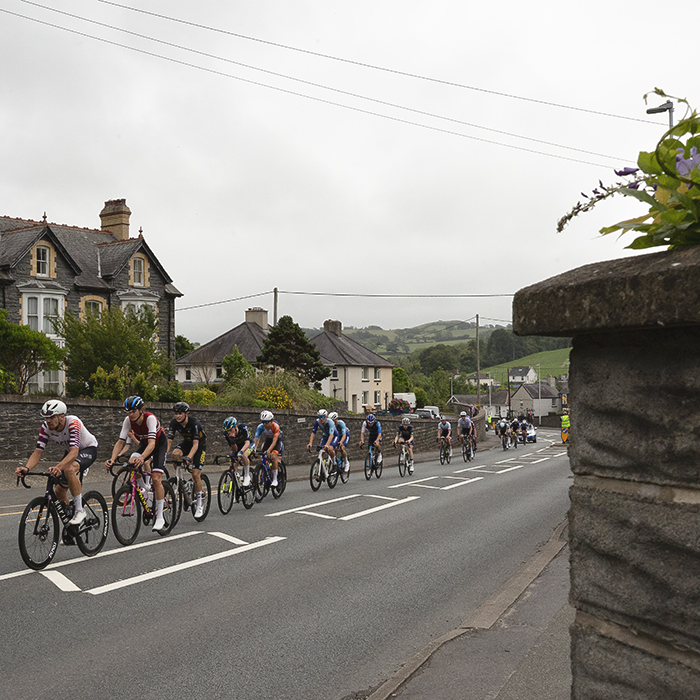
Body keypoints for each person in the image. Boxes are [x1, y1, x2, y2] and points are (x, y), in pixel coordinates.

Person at [16, 399, 98, 529]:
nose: (48, 420)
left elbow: (74, 452)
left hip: (87, 449)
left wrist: (58, 467)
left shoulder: (73, 423)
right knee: (59, 491)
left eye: (52, 417)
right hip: (70, 452)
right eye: (46, 417)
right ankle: (72, 524)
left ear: (61, 416)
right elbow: (38, 452)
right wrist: (27, 467)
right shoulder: (46, 427)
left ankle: (79, 511)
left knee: (69, 470)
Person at [105, 396, 169, 531]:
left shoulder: (150, 419)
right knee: (131, 463)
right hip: (144, 444)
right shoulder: (128, 421)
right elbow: (120, 442)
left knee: (156, 479)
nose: (130, 415)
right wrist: (112, 459)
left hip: (158, 445)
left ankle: (160, 518)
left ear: (141, 410)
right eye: (128, 412)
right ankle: (145, 488)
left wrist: (143, 458)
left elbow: (152, 444)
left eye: (133, 411)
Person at [166, 401, 207, 519]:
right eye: (176, 413)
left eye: (180, 413)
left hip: (199, 446)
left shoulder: (195, 423)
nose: (177, 416)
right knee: (175, 454)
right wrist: (164, 454)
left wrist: (189, 457)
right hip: (187, 443)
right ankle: (182, 481)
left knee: (195, 474)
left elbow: (195, 445)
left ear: (186, 414)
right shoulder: (174, 423)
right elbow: (169, 441)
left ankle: (199, 504)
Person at [253, 410, 284, 487]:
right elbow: (257, 439)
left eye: (266, 422)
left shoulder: (275, 426)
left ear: (271, 421)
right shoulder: (260, 427)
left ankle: (275, 479)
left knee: (274, 457)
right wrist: (254, 449)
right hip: (268, 440)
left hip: (277, 441)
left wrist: (269, 450)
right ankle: (265, 472)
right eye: (263, 422)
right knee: (261, 458)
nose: (265, 424)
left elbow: (274, 441)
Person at [223, 416, 253, 487]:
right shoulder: (226, 434)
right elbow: (234, 449)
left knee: (244, 455)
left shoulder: (243, 427)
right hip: (238, 446)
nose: (229, 432)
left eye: (230, 430)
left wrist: (241, 452)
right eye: (227, 430)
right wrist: (232, 440)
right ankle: (234, 484)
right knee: (233, 463)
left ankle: (247, 476)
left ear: (235, 427)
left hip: (248, 444)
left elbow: (247, 443)